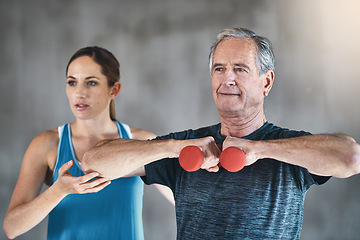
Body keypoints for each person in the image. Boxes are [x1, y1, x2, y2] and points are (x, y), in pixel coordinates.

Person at [81, 28, 360, 239]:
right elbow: (93, 162)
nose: (227, 78)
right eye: (219, 69)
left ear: (266, 82)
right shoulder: (190, 144)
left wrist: (259, 149)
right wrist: (174, 148)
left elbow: (351, 157)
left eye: (239, 69)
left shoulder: (290, 147)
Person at [3, 46, 173, 240]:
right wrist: (59, 191)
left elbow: (184, 199)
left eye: (91, 83)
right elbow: (12, 227)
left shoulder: (142, 141)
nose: (79, 93)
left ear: (114, 89)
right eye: (72, 82)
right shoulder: (47, 145)